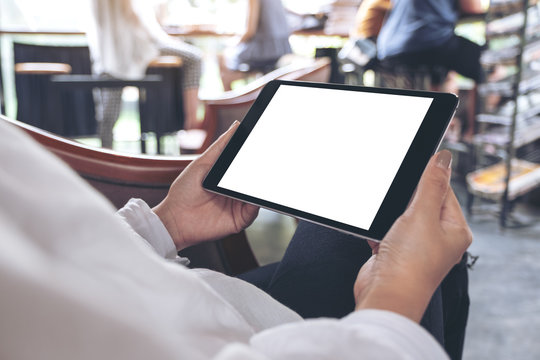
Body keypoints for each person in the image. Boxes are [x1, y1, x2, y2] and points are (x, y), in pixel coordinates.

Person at [0, 117, 472, 359]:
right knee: (409, 224)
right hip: (260, 340)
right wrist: (396, 296)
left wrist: (164, 225)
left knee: (371, 213)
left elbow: (57, 257)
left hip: (201, 295)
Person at [85, 0, 203, 148]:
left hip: (115, 55)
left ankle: (104, 156)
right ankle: (192, 124)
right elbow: (140, 22)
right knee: (194, 58)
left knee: (108, 114)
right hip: (133, 49)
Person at [219, 0, 292, 91]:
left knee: (222, 58)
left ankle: (231, 102)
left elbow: (250, 31)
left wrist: (233, 43)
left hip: (262, 52)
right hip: (281, 49)